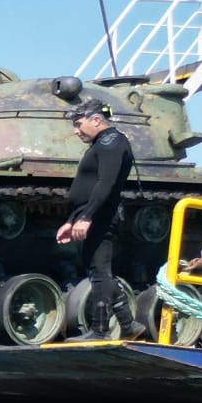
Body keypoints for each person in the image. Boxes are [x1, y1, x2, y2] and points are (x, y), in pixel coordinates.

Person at [56, 100, 137, 338]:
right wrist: (73, 219)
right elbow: (89, 187)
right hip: (93, 214)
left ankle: (100, 330)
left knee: (100, 272)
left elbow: (106, 184)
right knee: (97, 271)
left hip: (101, 215)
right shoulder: (102, 144)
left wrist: (87, 217)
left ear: (96, 120)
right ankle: (129, 325)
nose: (75, 130)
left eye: (79, 124)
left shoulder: (112, 143)